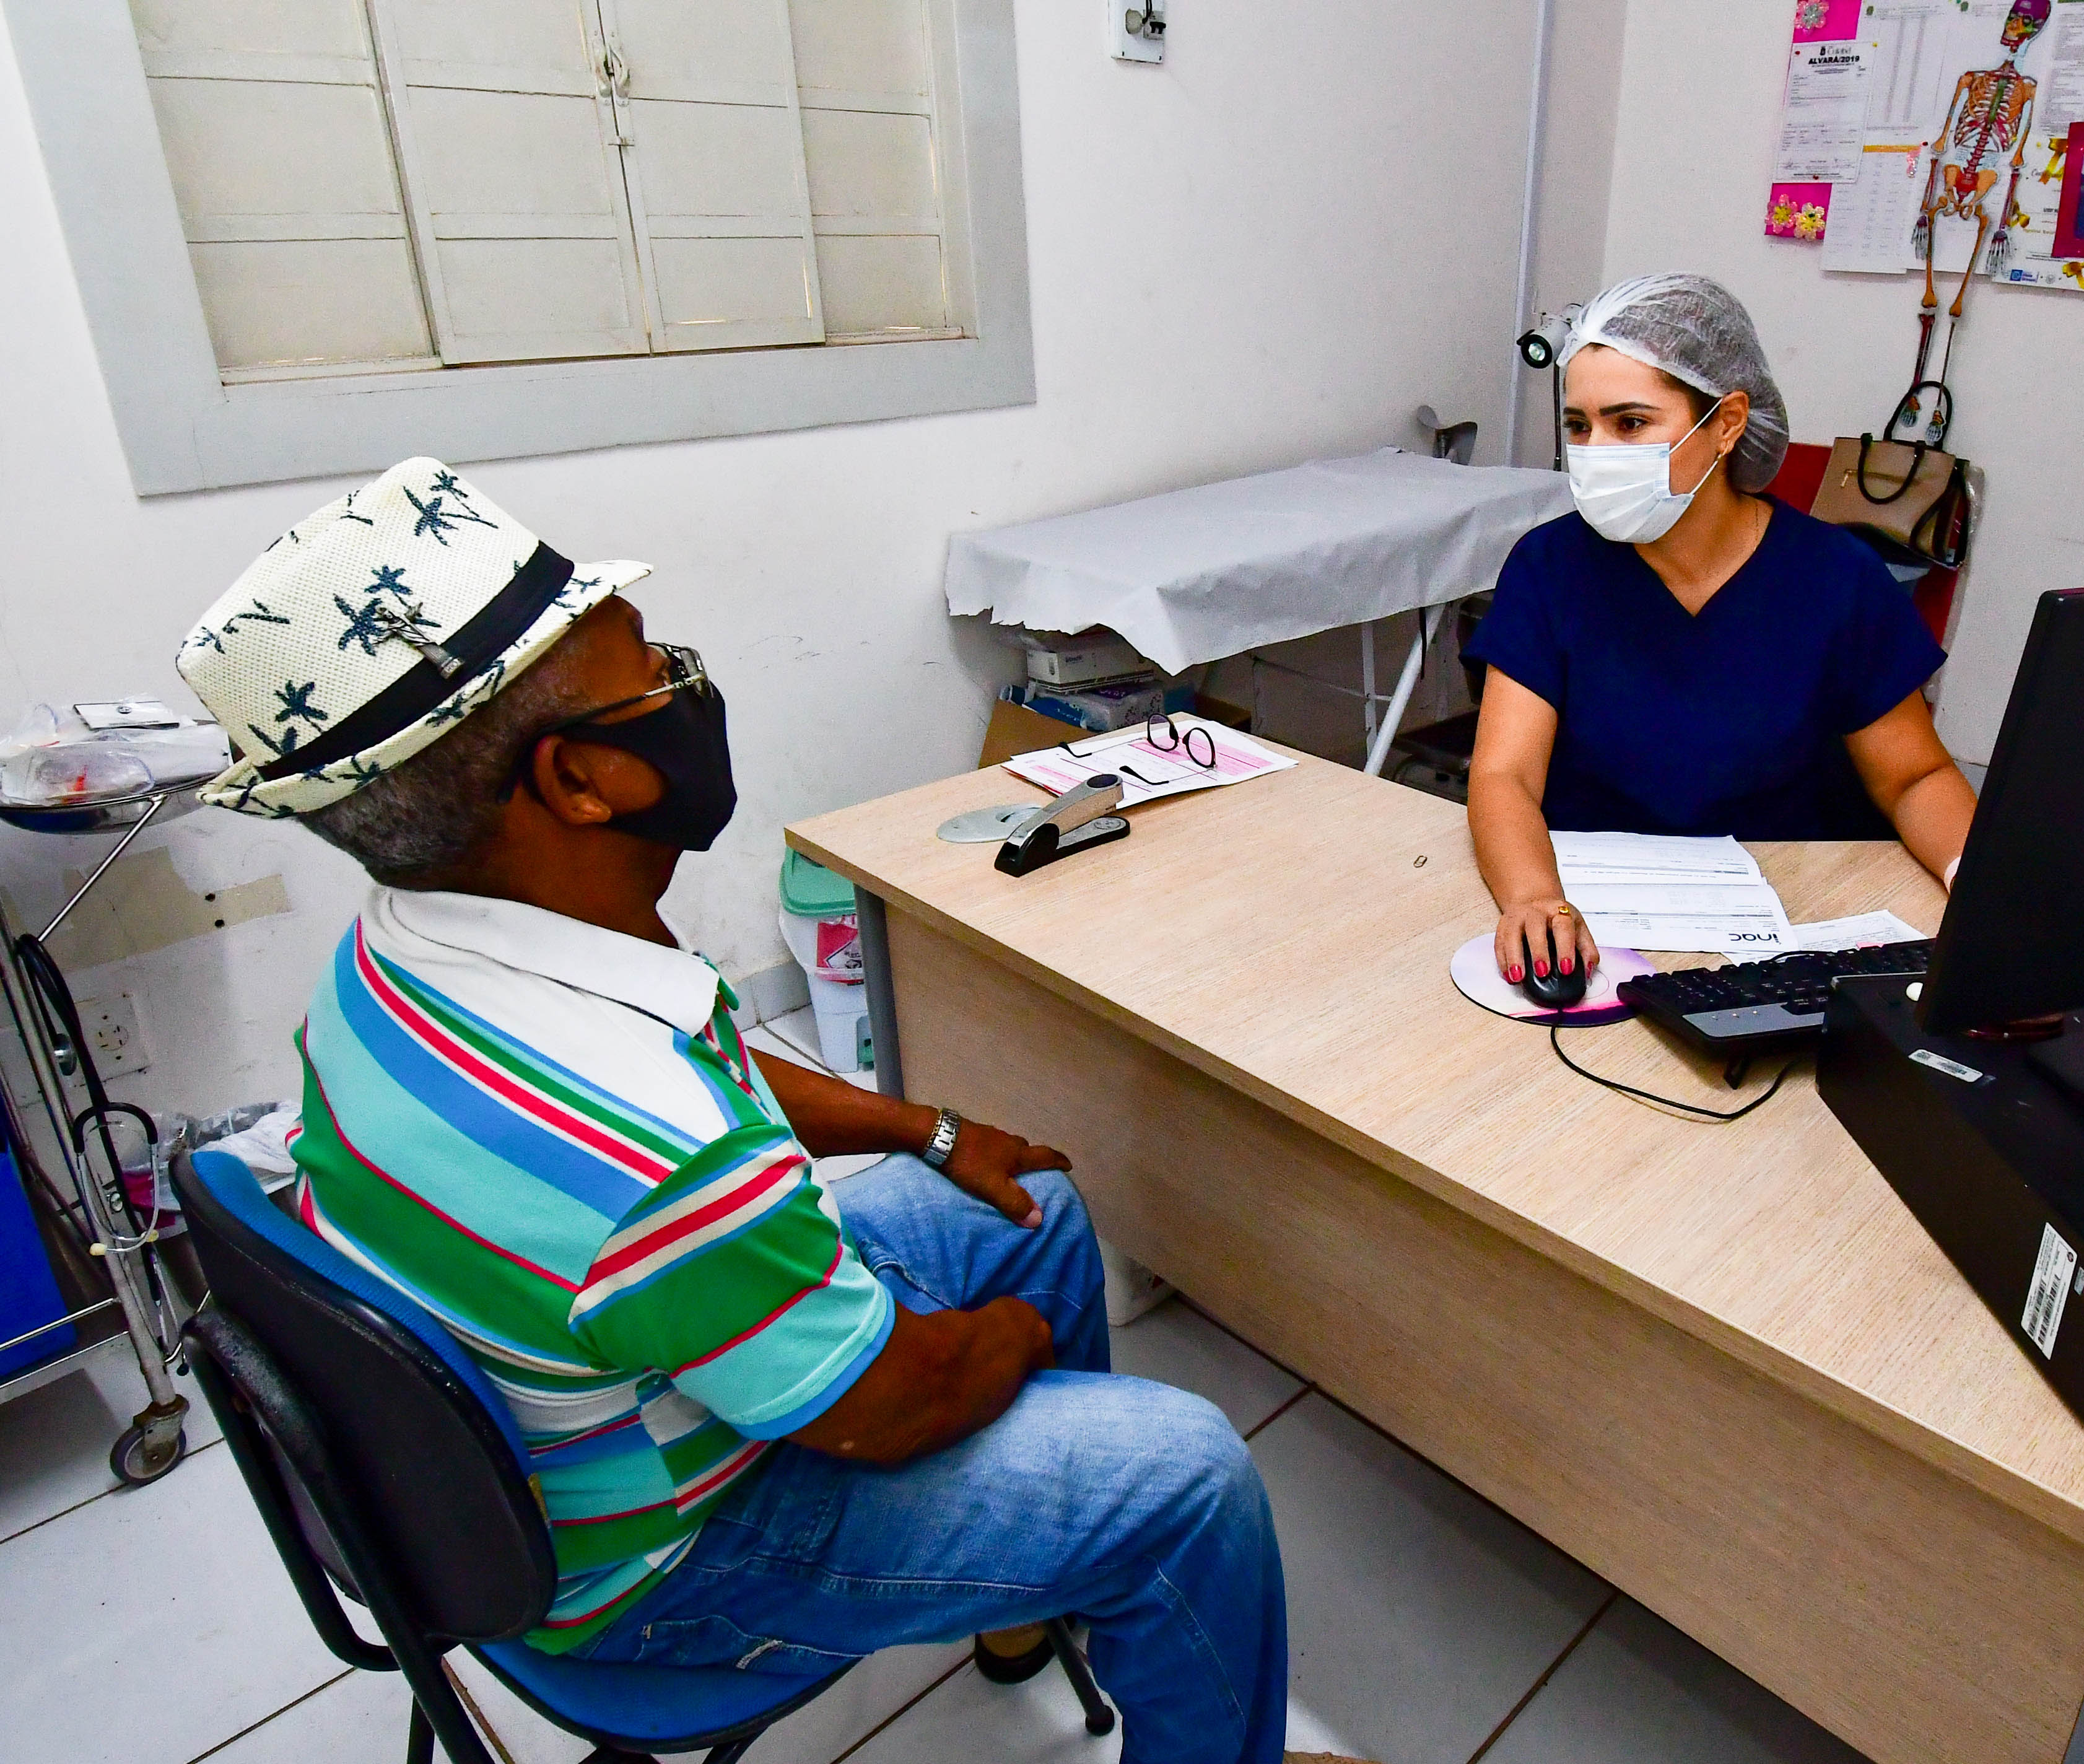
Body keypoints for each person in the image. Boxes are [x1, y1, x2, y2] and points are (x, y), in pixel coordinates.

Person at [176, 458, 1361, 1764]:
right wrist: (1012, 1343)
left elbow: (711, 1057)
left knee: (1032, 1203)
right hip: (669, 1576)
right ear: (580, 779)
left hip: (554, 1422)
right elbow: (889, 1405)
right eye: (654, 671)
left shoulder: (397, 956)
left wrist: (929, 1130)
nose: (685, 684)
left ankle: (1030, 1602)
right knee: (1187, 1474)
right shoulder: (657, 1156)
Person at [1463, 274, 1976, 986]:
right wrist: (1533, 898)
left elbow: (1916, 777)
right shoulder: (1550, 568)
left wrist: (1977, 883)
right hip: (1602, 920)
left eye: (1630, 423)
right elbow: (1504, 774)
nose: (1596, 450)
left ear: (1728, 423)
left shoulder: (1835, 577)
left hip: (1793, 917)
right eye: (1579, 426)